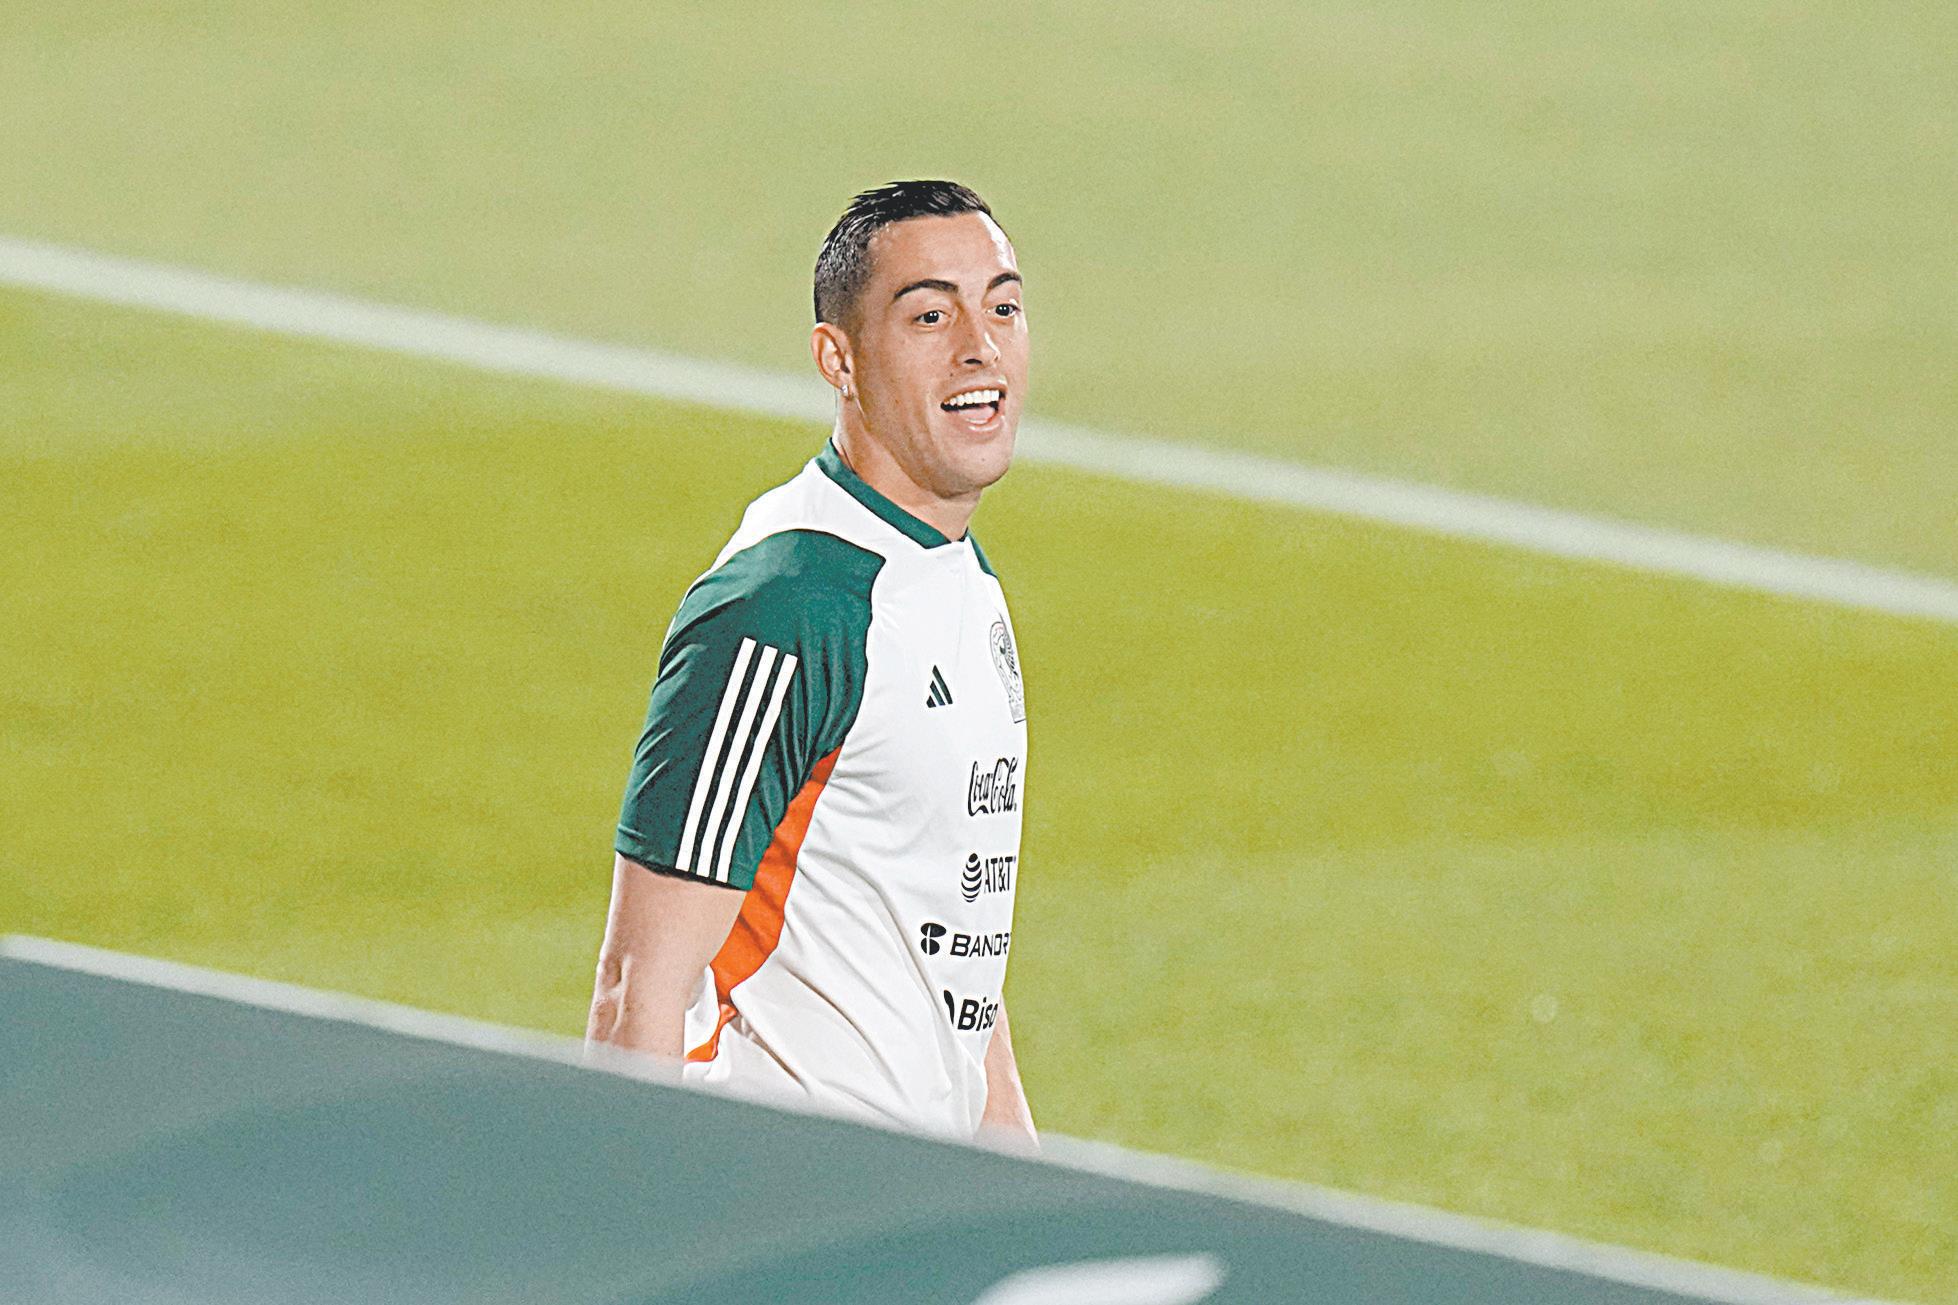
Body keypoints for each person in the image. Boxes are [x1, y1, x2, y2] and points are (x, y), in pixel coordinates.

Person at [585, 180, 1036, 1146]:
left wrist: (1020, 1177)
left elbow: (952, 941)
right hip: (773, 1177)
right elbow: (638, 983)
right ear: (840, 358)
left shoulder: (958, 579)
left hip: (914, 1190)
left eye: (1002, 307)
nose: (981, 347)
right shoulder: (789, 603)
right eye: (930, 316)